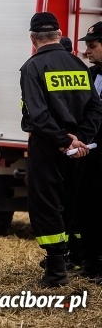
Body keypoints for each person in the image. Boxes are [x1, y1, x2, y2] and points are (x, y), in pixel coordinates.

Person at [20, 12, 102, 287]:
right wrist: (80, 138)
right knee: (70, 202)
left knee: (45, 204)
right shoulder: (79, 65)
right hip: (77, 149)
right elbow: (95, 107)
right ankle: (68, 259)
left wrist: (63, 140)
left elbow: (38, 115)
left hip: (47, 146)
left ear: (33, 39)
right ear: (58, 33)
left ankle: (55, 270)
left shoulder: (33, 67)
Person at [74, 21, 102, 283]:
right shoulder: (90, 75)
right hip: (89, 154)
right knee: (87, 207)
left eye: (92, 46)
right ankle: (91, 262)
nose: (87, 51)